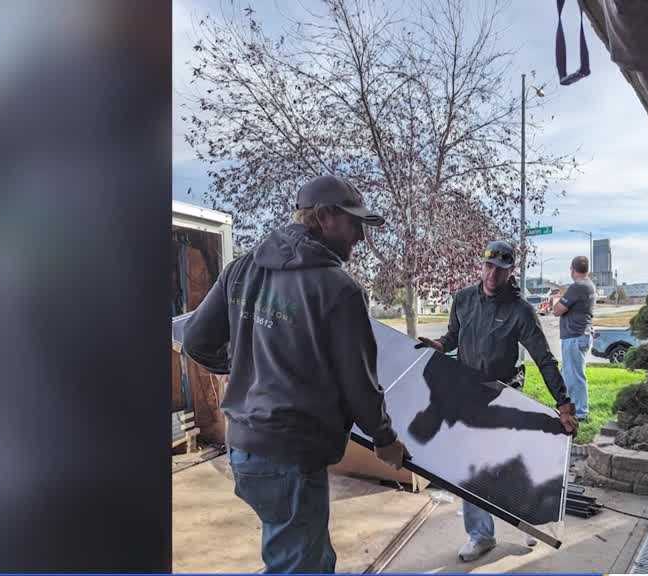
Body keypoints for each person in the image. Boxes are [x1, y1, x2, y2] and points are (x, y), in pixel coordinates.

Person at [183, 175, 409, 574]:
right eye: (354, 223)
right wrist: (384, 439)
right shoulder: (339, 289)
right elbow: (358, 385)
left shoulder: (241, 269)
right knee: (299, 563)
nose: (360, 236)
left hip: (244, 449)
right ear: (324, 217)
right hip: (290, 454)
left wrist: (247, 371)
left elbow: (196, 341)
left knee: (303, 554)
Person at [415, 240, 578, 562]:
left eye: (500, 270)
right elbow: (453, 335)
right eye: (488, 266)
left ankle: (531, 521)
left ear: (510, 271)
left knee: (510, 460)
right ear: (482, 265)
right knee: (469, 464)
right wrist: (440, 345)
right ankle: (481, 535)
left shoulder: (520, 311)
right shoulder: (463, 300)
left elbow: (544, 359)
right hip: (468, 391)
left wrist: (563, 403)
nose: (492, 275)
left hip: (505, 391)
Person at [552, 256, 596, 421]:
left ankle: (580, 413)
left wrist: (557, 300)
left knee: (575, 377)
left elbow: (557, 310)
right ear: (587, 269)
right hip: (581, 335)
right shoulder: (589, 285)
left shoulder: (577, 287)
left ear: (572, 269)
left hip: (574, 337)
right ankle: (567, 407)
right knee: (567, 375)